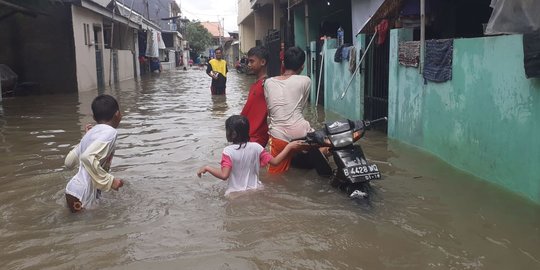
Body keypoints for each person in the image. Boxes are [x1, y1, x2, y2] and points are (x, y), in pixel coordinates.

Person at [197, 115, 304, 196]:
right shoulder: (256, 147)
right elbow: (275, 162)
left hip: (235, 194)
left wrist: (207, 168)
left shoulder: (228, 151)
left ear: (233, 134)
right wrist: (289, 146)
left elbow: (224, 176)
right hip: (257, 190)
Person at [64, 94, 124, 213]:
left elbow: (68, 162)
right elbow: (87, 157)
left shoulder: (91, 134)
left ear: (94, 117)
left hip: (72, 190)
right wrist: (111, 181)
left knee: (77, 226)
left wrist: (86, 138)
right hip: (84, 193)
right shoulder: (111, 132)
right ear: (117, 114)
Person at [264, 46, 312, 174]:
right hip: (302, 133)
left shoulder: (268, 82)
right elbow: (301, 106)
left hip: (279, 135)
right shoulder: (306, 80)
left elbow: (270, 110)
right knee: (325, 147)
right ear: (302, 66)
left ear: (283, 63)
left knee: (275, 178)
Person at [240, 46, 269, 147]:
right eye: (248, 62)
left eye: (252, 61)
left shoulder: (266, 84)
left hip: (257, 136)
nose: (249, 65)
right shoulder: (255, 85)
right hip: (249, 134)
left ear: (262, 62)